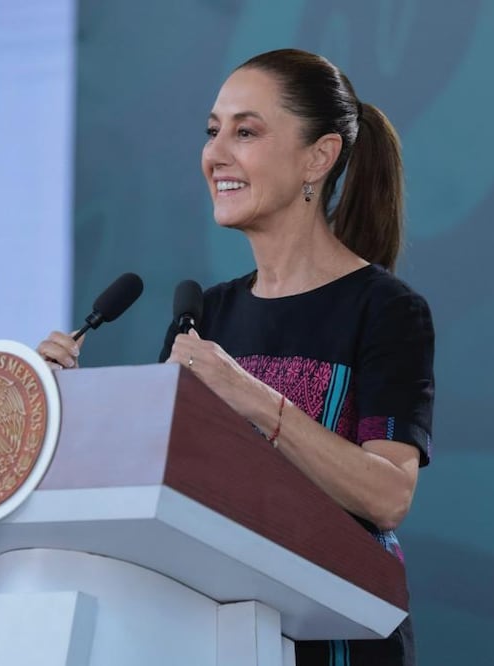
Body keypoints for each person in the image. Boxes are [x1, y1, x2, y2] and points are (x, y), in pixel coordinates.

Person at [38, 48, 434, 666]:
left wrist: (250, 395)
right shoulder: (206, 315)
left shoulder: (386, 309)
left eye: (245, 131)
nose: (215, 153)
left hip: (341, 645)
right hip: (213, 639)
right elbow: (159, 484)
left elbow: (387, 496)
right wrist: (63, 408)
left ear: (318, 157)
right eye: (212, 131)